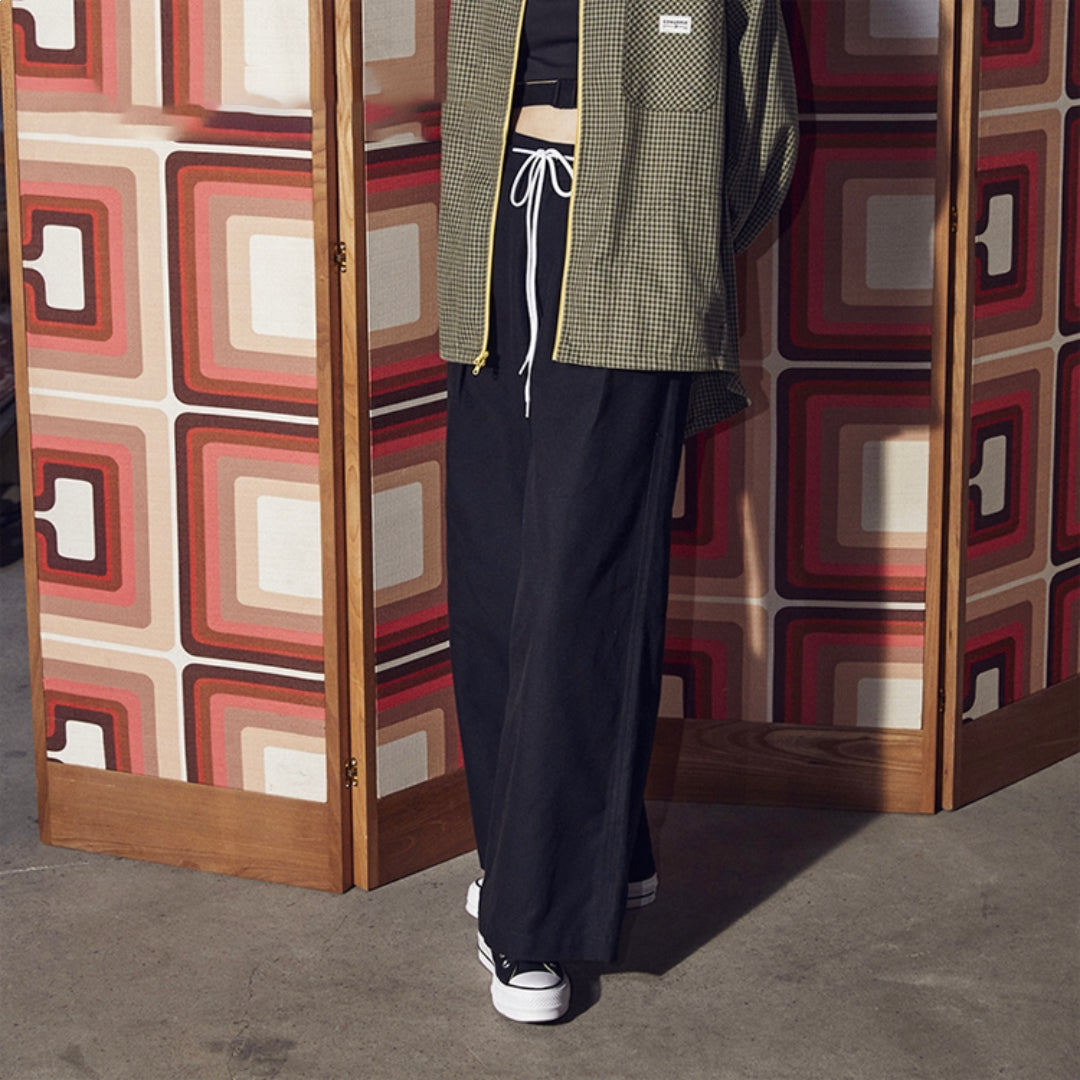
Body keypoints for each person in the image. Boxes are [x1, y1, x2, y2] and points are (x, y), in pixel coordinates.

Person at [438, 0, 798, 1023]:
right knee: (497, 571)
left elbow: (765, 128)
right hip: (492, 243)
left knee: (582, 581)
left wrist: (671, 235)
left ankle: (533, 917)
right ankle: (583, 850)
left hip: (636, 260)